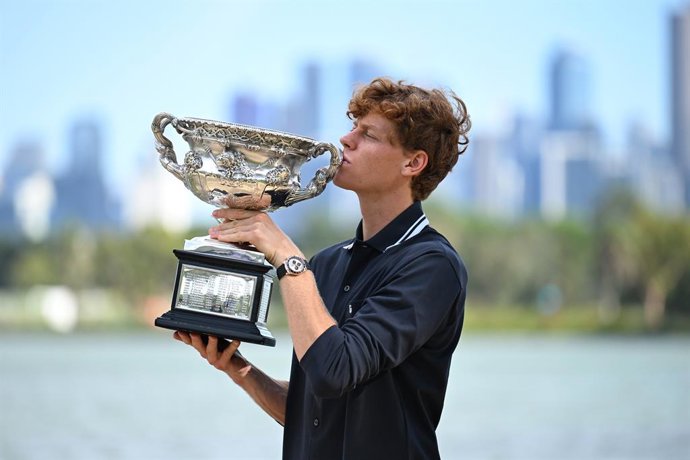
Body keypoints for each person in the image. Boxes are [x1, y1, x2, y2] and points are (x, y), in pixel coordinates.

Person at [173, 77, 471, 459]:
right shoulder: (328, 264)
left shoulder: (431, 266)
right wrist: (239, 368)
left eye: (369, 134)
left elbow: (335, 370)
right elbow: (309, 412)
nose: (346, 140)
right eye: (352, 127)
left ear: (413, 163)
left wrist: (286, 256)